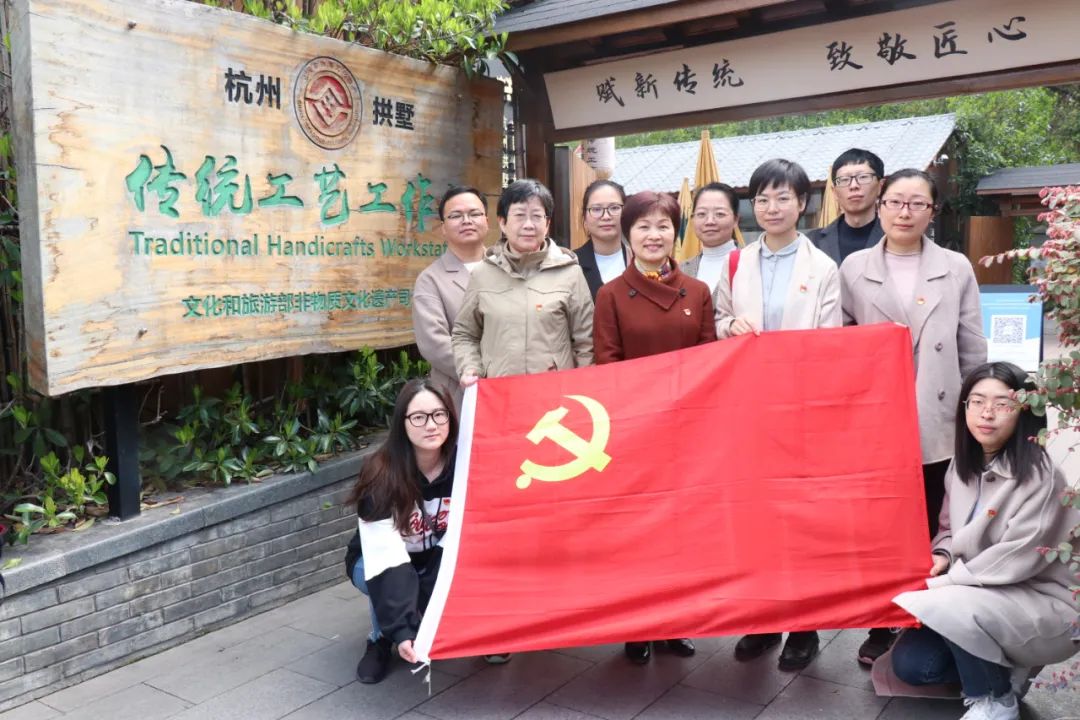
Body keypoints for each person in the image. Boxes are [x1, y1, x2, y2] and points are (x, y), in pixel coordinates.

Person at [840, 168, 987, 665]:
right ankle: (884, 622)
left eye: (917, 203)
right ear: (879, 206)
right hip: (877, 419)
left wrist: (977, 411)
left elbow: (972, 346)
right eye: (896, 202)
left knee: (932, 521)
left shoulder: (956, 267)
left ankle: (928, 618)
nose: (905, 212)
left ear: (932, 211)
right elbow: (840, 343)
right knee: (881, 526)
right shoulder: (854, 267)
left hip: (937, 417)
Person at [885, 361, 1079, 720]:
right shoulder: (963, 465)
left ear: (1025, 412)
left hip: (1041, 598)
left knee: (948, 603)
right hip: (979, 592)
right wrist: (943, 555)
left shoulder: (1041, 476)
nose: (987, 413)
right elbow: (947, 529)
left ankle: (995, 699)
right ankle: (1005, 667)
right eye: (976, 402)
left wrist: (939, 586)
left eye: (1002, 404)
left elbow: (1016, 559)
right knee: (913, 665)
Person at [714, 158, 841, 672]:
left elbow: (830, 344)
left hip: (800, 409)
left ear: (802, 204)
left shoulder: (823, 268)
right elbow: (718, 320)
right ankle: (763, 618)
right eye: (762, 199)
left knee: (802, 518)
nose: (771, 208)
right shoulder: (736, 262)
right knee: (756, 517)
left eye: (783, 197)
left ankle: (804, 627)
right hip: (746, 410)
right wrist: (729, 328)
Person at [592, 189, 714, 664]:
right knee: (637, 533)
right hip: (635, 434)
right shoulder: (611, 294)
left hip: (687, 433)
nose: (653, 235)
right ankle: (637, 626)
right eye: (643, 226)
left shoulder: (698, 292)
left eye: (663, 225)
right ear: (628, 234)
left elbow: (708, 362)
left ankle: (675, 623)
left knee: (682, 532)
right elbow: (608, 366)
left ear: (675, 233)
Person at [343, 379, 458, 684]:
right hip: (375, 558)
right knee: (380, 578)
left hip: (435, 556)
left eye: (439, 414)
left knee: (437, 578)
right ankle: (381, 639)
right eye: (418, 417)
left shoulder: (464, 465)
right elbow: (384, 556)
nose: (431, 425)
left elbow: (462, 540)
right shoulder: (380, 472)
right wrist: (403, 629)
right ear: (402, 423)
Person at [452, 179, 594, 385]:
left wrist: (583, 386)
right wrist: (470, 367)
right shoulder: (483, 273)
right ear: (502, 222)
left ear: (547, 224)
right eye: (519, 215)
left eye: (537, 216)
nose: (528, 225)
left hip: (556, 392)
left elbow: (586, 342)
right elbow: (465, 334)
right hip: (500, 391)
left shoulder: (570, 273)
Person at [412, 186, 489, 411]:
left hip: (511, 386)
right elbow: (435, 344)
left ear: (487, 221)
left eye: (474, 214)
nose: (467, 221)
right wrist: (484, 371)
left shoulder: (506, 267)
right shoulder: (430, 280)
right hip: (461, 393)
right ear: (443, 228)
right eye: (456, 216)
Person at [808, 148, 885, 266]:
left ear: (880, 186)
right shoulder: (812, 242)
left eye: (863, 177)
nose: (853, 186)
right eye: (844, 180)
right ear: (834, 192)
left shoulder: (894, 237)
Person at [682, 182, 741, 295]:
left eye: (719, 214)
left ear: (735, 220)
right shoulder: (682, 270)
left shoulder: (752, 263)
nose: (709, 221)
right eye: (701, 214)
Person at [575, 179, 629, 300]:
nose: (606, 216)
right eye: (596, 209)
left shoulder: (639, 260)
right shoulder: (571, 263)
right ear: (584, 218)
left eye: (614, 208)